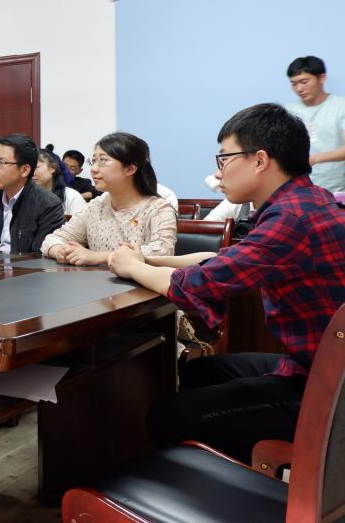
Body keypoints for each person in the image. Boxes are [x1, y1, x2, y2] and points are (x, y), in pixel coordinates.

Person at [109, 103, 345, 462]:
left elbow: (196, 283)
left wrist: (130, 265)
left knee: (169, 414)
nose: (218, 172)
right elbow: (225, 261)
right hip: (323, 365)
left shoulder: (291, 220)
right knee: (200, 373)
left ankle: (232, 486)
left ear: (260, 160)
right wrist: (149, 260)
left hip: (328, 388)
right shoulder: (308, 202)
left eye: (224, 158)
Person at [40, 132, 176, 265]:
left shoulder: (158, 209)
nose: (93, 169)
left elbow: (163, 252)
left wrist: (99, 257)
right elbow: (53, 239)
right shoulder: (96, 206)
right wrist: (61, 251)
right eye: (93, 161)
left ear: (130, 169)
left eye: (103, 161)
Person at [0, 134, 65, 253]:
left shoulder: (48, 205)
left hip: (24, 265)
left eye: (2, 162)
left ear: (25, 170)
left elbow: (40, 254)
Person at [285, 56, 345, 192]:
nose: (299, 88)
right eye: (293, 83)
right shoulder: (288, 111)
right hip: (299, 188)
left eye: (304, 81)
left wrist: (316, 158)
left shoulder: (341, 106)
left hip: (336, 189)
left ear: (322, 78)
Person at [34, 148, 87, 216]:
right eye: (27, 168)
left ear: (52, 168)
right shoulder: (25, 195)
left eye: (36, 167)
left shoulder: (72, 197)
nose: (31, 172)